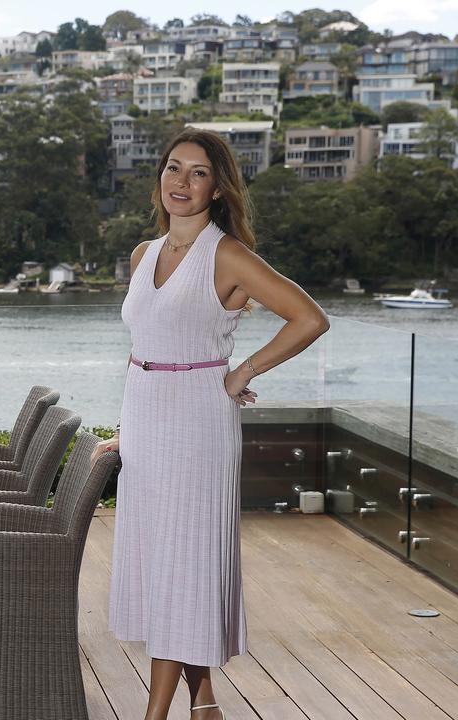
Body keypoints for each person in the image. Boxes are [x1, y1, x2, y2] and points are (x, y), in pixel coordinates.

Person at [91, 129, 329, 720]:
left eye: (198, 173)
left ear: (217, 187)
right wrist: (129, 431)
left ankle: (155, 712)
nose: (181, 182)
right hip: (148, 417)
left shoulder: (226, 255)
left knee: (183, 561)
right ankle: (203, 700)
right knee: (158, 559)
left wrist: (243, 368)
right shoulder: (142, 255)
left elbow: (309, 318)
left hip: (198, 423)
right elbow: (145, 350)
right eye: (173, 168)